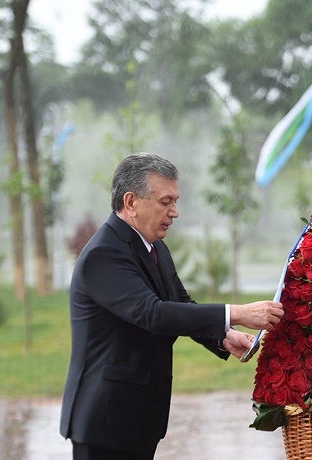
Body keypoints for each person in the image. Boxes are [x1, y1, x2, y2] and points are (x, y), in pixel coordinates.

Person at [59, 152, 284, 459]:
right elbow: (153, 313)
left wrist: (222, 335)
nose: (175, 212)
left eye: (175, 200)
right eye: (165, 202)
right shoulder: (103, 254)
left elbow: (178, 301)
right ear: (131, 203)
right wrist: (239, 313)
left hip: (137, 417)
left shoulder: (155, 246)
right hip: (104, 421)